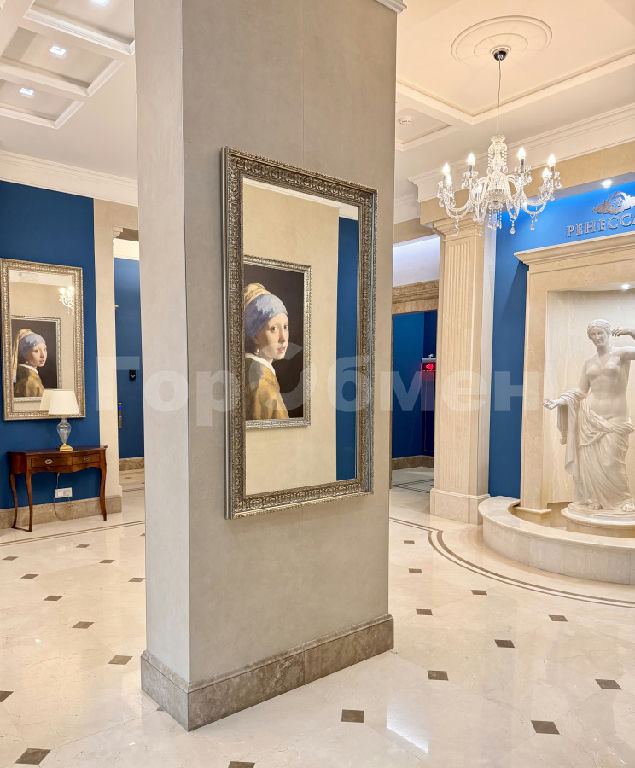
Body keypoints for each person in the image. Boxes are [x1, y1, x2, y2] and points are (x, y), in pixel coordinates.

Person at [544, 319, 635, 513]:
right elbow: (581, 391)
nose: (597, 337)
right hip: (589, 417)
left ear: (608, 333)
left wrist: (630, 331)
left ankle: (624, 499)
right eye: (593, 334)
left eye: (600, 333)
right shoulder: (589, 362)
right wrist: (560, 401)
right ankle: (596, 498)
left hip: (616, 417)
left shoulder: (621, 353)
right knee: (593, 463)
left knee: (612, 461)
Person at [243, 282, 289, 420]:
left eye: (285, 327)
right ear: (255, 336)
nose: (283, 338)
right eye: (273, 329)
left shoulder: (247, 366)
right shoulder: (262, 382)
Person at [13, 328, 47, 398]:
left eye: (44, 349)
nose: (43, 355)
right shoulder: (30, 380)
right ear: (25, 354)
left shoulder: (20, 371)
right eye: (36, 351)